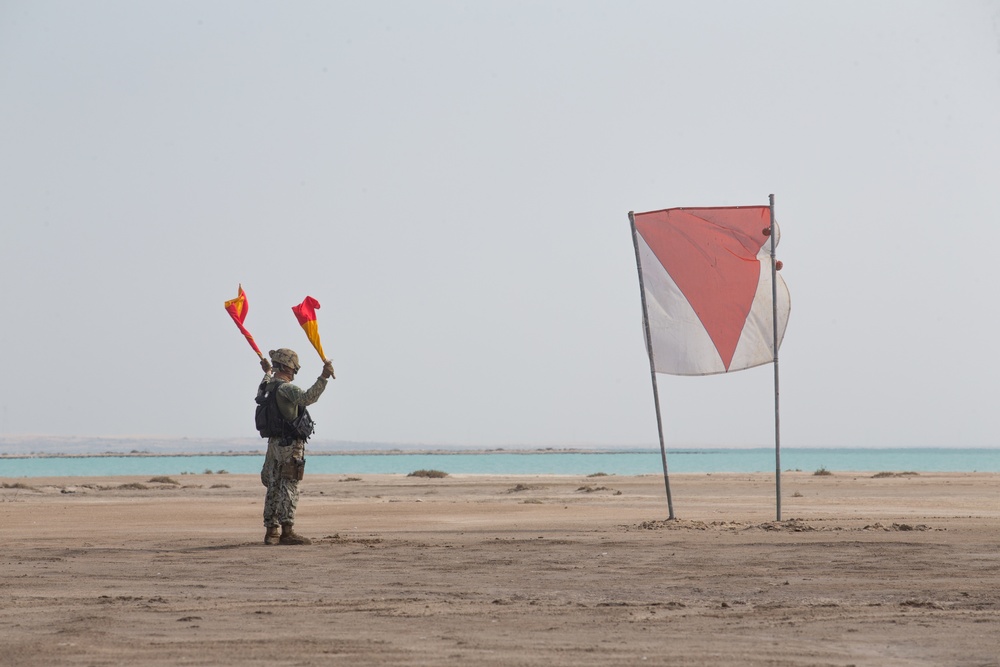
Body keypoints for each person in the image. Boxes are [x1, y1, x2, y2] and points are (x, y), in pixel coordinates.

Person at [257, 348, 335, 545]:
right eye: (293, 369)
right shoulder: (285, 388)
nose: (293, 372)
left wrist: (267, 371)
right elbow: (308, 398)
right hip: (290, 444)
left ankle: (271, 531)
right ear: (285, 367)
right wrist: (324, 377)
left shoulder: (267, 386)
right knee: (289, 484)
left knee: (273, 485)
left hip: (273, 444)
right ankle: (287, 531)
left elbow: (264, 383)